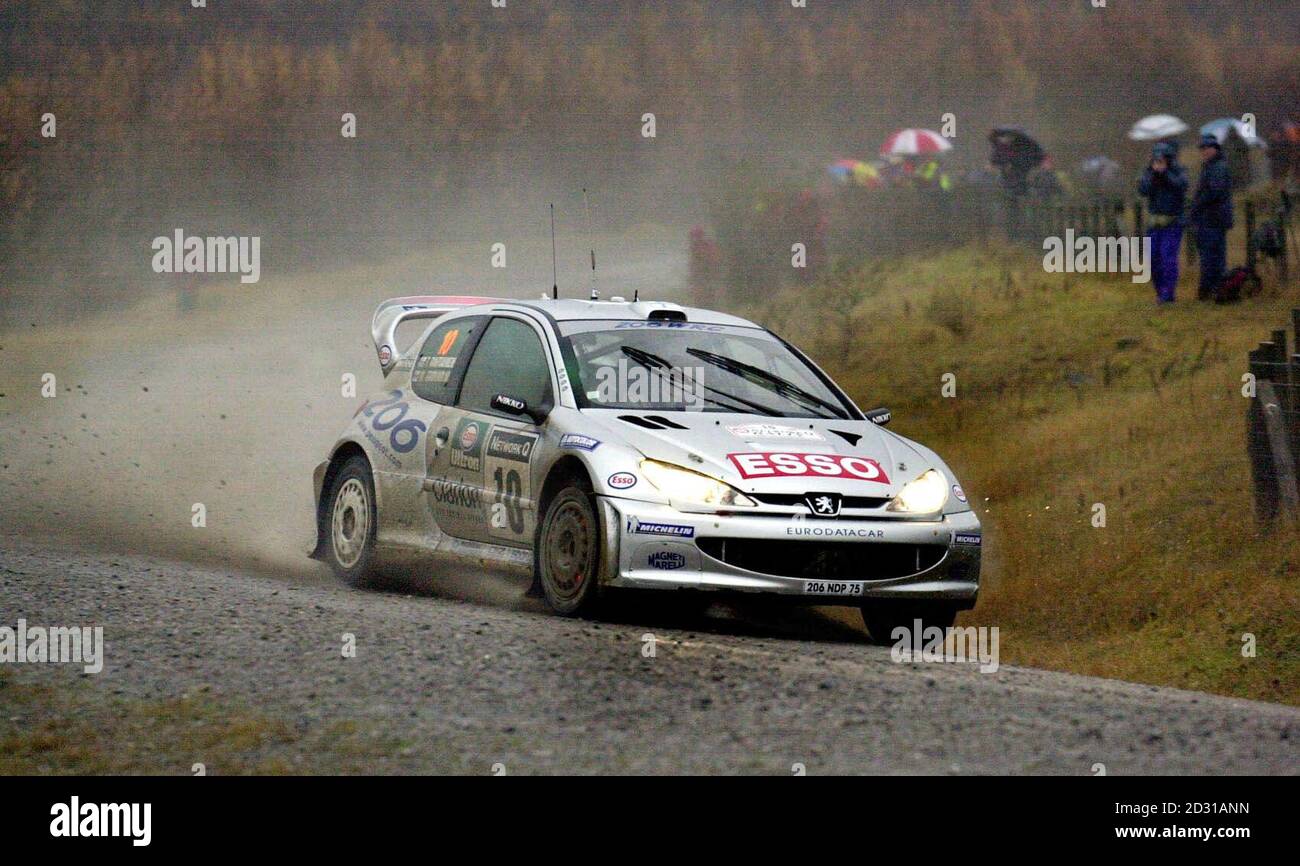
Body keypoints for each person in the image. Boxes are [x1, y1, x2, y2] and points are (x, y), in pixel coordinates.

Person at [1138, 141, 1188, 303]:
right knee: (1152, 259)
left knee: (1168, 258)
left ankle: (1168, 294)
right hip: (1154, 225)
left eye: (1162, 158)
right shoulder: (1149, 172)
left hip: (1172, 224)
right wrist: (1154, 174)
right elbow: (1143, 190)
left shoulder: (1178, 171)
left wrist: (1165, 173)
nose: (1159, 161)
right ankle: (1160, 291)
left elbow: (1182, 186)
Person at [1190, 133, 1234, 300]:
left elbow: (1214, 192)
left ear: (1215, 149)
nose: (1205, 151)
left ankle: (1212, 289)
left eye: (1208, 148)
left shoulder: (1218, 167)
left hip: (1213, 218)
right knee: (1212, 255)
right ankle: (1214, 289)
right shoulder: (1209, 166)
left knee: (1212, 256)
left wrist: (1197, 205)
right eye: (1203, 148)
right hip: (1211, 218)